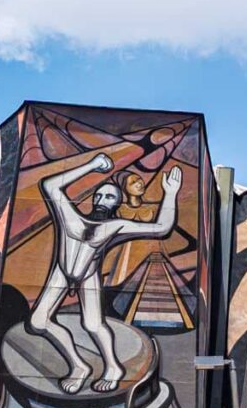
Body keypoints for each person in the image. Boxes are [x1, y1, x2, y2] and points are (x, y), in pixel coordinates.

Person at [29, 153, 181, 394]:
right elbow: (50, 185)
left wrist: (170, 194)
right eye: (98, 195)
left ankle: (113, 367)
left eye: (109, 196)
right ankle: (79, 366)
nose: (101, 199)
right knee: (38, 321)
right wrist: (92, 166)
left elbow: (161, 228)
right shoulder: (71, 217)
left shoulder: (115, 226)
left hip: (87, 274)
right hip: (62, 270)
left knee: (92, 324)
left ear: (117, 203)